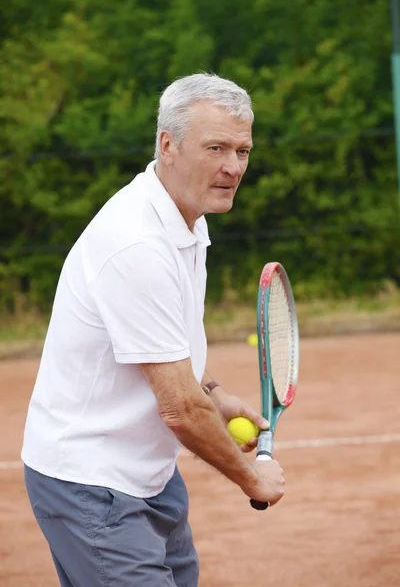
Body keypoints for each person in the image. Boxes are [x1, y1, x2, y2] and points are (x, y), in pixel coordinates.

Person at [21, 73, 285, 587]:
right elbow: (179, 409)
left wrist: (214, 392)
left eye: (243, 150)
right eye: (216, 148)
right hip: (90, 482)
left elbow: (168, 349)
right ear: (168, 145)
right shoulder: (137, 244)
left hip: (150, 477)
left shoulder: (187, 218)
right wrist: (252, 477)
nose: (233, 168)